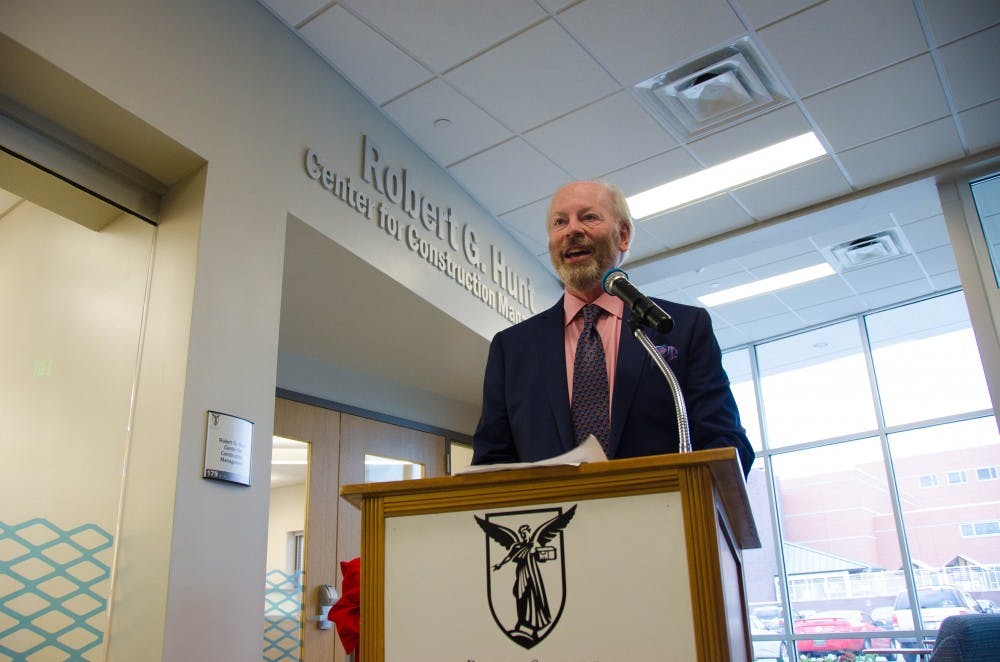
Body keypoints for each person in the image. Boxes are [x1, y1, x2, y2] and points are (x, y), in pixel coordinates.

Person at [471, 180, 753, 475]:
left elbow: (724, 440)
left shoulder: (682, 328)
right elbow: (492, 461)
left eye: (589, 217)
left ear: (623, 235)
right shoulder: (512, 348)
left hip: (664, 503)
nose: (572, 229)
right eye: (560, 222)